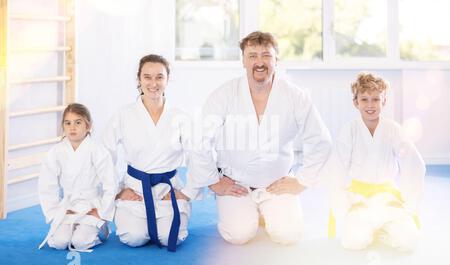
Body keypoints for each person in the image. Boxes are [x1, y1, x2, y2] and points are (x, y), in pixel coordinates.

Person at [188, 31, 332, 245]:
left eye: (266, 55)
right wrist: (214, 181)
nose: (259, 62)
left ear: (277, 60)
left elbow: (321, 141)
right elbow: (199, 139)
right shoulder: (224, 95)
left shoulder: (295, 96)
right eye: (252, 55)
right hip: (236, 184)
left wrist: (302, 181)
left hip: (277, 184)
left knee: (289, 235)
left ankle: (267, 211)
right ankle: (248, 211)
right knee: (238, 235)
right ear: (243, 61)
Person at [102, 54, 199, 252]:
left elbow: (197, 156)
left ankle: (171, 214)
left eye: (159, 77)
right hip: (135, 189)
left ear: (167, 79)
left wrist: (187, 192)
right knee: (133, 237)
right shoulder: (124, 114)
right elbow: (104, 155)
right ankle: (133, 218)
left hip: (168, 190)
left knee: (170, 237)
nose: (153, 83)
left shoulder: (180, 117)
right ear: (139, 79)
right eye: (147, 77)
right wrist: (117, 191)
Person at [327, 72, 425, 252]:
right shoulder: (349, 130)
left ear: (384, 101)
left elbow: (414, 164)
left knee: (409, 241)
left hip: (387, 198)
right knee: (354, 242)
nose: (370, 105)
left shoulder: (393, 129)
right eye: (364, 99)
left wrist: (407, 200)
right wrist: (344, 206)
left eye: (376, 99)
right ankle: (368, 227)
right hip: (358, 199)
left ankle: (381, 229)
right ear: (355, 102)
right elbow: (336, 169)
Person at [39, 103, 117, 252]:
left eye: (78, 122)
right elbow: (46, 186)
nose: (72, 127)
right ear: (63, 126)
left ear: (88, 126)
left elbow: (110, 183)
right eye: (67, 123)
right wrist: (56, 212)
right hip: (68, 206)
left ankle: (101, 228)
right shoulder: (56, 152)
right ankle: (72, 227)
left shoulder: (98, 151)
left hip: (92, 206)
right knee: (60, 242)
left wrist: (101, 211)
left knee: (80, 242)